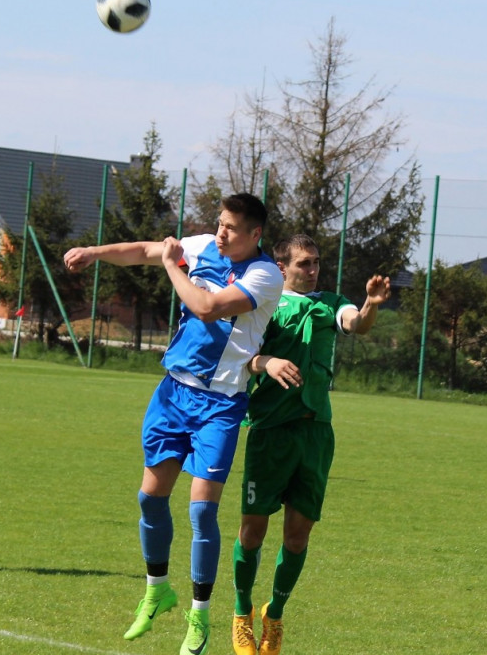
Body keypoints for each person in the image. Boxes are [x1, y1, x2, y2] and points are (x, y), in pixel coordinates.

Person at [64, 193, 283, 655]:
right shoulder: (203, 246)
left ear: (255, 234)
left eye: (230, 228)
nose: (220, 232)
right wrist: (94, 253)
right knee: (149, 499)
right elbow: (145, 251)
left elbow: (206, 306)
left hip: (221, 403)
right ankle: (157, 590)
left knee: (202, 510)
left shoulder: (265, 275)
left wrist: (172, 267)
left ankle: (199, 618)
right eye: (219, 223)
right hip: (173, 392)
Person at [230, 234, 391, 655]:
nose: (313, 269)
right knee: (252, 531)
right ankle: (241, 612)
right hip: (269, 431)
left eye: (317, 262)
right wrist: (266, 361)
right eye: (305, 263)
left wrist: (371, 304)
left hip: (316, 433)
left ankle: (275, 616)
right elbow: (236, 354)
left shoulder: (330, 301)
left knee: (298, 536)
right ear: (282, 268)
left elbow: (355, 323)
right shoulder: (262, 304)